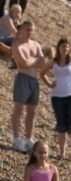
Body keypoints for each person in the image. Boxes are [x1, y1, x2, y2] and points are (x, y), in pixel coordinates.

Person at [39, 37, 71, 161]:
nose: (65, 49)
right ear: (58, 48)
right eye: (63, 46)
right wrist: (49, 84)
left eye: (67, 46)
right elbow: (42, 73)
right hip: (57, 97)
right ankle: (62, 153)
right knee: (61, 125)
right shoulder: (54, 61)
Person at [11, 20, 48, 153]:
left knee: (31, 112)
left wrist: (33, 61)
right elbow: (23, 63)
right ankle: (16, 139)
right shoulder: (17, 44)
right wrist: (36, 60)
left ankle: (28, 139)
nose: (29, 32)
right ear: (21, 30)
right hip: (22, 78)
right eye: (27, 29)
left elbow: (43, 63)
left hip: (34, 80)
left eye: (31, 30)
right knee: (19, 110)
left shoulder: (35, 44)